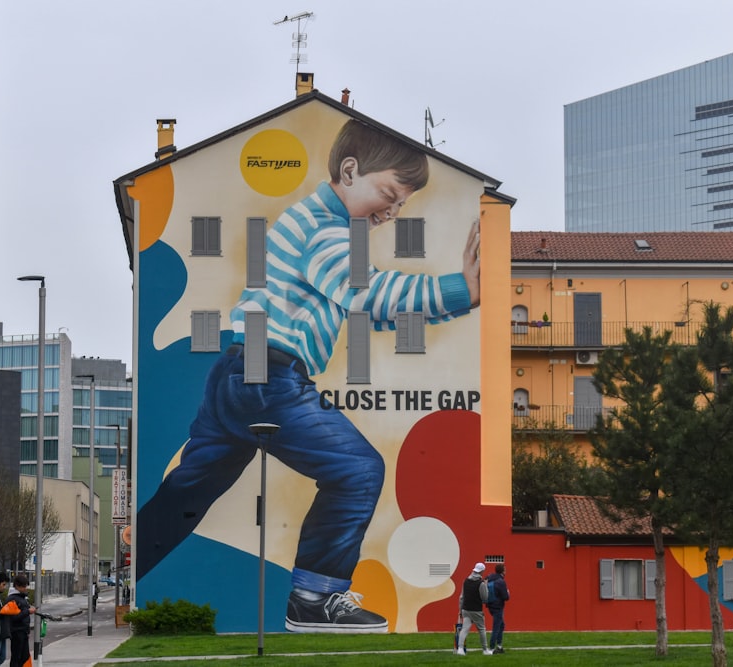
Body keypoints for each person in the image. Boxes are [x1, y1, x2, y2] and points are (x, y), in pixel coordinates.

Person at [138, 118, 481, 633]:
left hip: (239, 369)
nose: (392, 211)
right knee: (358, 471)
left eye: (402, 204)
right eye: (388, 194)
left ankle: (136, 560)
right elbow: (366, 292)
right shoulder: (324, 230)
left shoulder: (324, 230)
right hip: (267, 374)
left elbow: (368, 308)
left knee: (189, 491)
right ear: (349, 171)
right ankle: (314, 598)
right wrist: (461, 291)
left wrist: (448, 305)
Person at [457, 562, 492, 656]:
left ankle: (460, 649)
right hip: (476, 610)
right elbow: (485, 599)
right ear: (482, 571)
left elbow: (461, 597)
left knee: (465, 629)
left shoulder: (466, 581)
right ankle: (485, 650)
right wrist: (486, 586)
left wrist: (460, 610)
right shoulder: (481, 583)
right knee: (481, 629)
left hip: (465, 609)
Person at [5, 573, 37, 667]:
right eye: (23, 586)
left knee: (24, 656)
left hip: (22, 630)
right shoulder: (13, 599)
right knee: (17, 656)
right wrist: (27, 611)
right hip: (17, 631)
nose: (25, 588)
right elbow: (14, 617)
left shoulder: (21, 597)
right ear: (17, 586)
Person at [486, 563, 510, 653]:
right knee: (497, 626)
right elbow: (505, 597)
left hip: (490, 605)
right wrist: (508, 593)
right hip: (498, 606)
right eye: (505, 569)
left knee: (501, 625)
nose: (506, 571)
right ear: (502, 571)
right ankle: (492, 648)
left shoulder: (489, 577)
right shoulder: (501, 581)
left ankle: (499, 646)